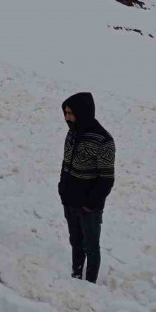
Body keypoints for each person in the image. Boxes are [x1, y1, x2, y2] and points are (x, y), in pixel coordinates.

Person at [58, 92, 115, 284]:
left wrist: (92, 203)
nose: (67, 117)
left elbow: (106, 179)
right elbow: (66, 164)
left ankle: (89, 285)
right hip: (70, 200)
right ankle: (75, 277)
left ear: (83, 113)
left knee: (91, 246)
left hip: (89, 207)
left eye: (71, 113)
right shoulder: (72, 133)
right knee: (75, 242)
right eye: (66, 113)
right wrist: (62, 189)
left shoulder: (103, 140)